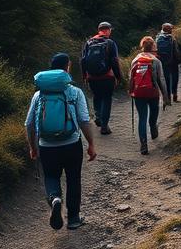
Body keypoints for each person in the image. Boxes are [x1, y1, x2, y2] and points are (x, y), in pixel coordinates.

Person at [25, 52, 96, 231]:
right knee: (73, 179)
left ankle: (55, 199)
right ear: (67, 67)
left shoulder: (39, 94)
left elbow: (29, 124)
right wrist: (91, 145)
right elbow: (83, 121)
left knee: (50, 176)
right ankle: (73, 219)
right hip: (72, 143)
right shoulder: (75, 91)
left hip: (46, 145)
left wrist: (33, 147)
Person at [128, 36, 171, 155]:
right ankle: (153, 128)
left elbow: (131, 78)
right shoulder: (156, 61)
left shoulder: (135, 60)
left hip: (138, 93)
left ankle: (143, 145)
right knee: (153, 113)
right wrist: (166, 97)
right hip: (153, 93)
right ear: (153, 47)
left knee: (142, 118)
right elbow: (161, 79)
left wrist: (131, 91)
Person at [80, 21, 122, 135]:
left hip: (92, 77)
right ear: (108, 30)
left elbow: (83, 60)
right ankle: (104, 126)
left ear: (99, 30)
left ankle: (98, 116)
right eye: (110, 30)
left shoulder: (88, 42)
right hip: (107, 77)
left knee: (97, 96)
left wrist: (84, 76)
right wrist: (119, 77)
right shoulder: (110, 43)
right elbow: (115, 61)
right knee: (107, 99)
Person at [155, 22, 181, 103]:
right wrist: (179, 60)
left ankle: (167, 97)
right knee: (175, 77)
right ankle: (174, 94)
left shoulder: (158, 38)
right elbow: (176, 51)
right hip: (173, 62)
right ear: (170, 30)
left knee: (166, 78)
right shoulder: (172, 39)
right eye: (171, 28)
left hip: (163, 62)